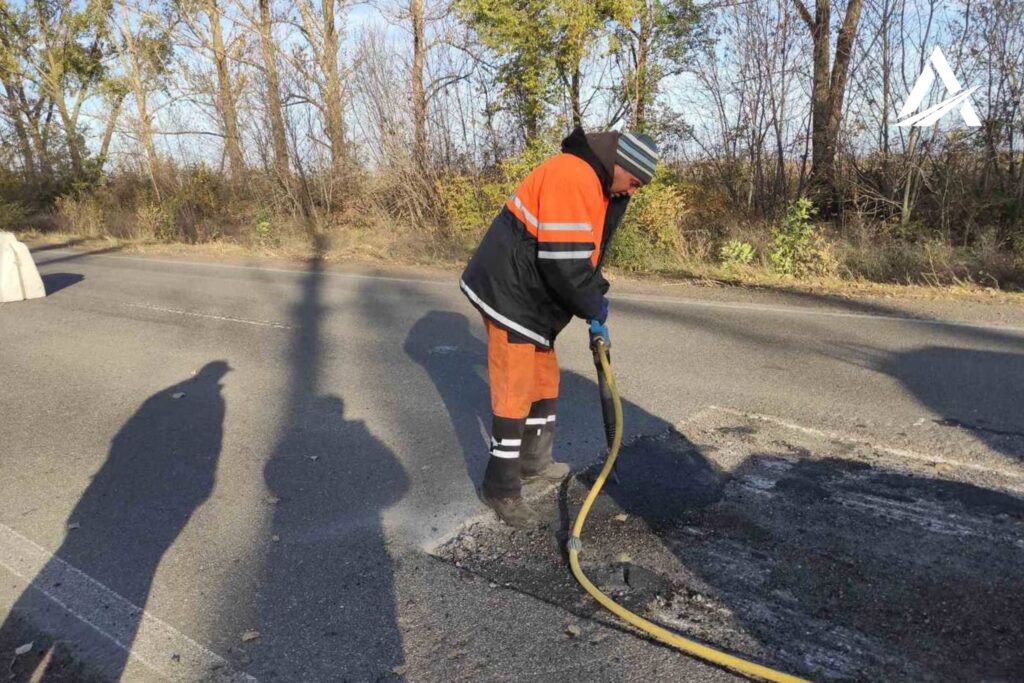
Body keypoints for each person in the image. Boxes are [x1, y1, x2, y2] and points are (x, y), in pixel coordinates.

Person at [460, 127, 659, 526]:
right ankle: (500, 486)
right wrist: (592, 307)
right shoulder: (574, 176)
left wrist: (596, 298)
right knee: (514, 386)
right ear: (619, 165)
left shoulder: (600, 184)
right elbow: (564, 262)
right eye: (634, 182)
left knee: (545, 377)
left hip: (534, 292)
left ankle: (534, 461)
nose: (633, 192)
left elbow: (585, 256)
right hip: (509, 291)